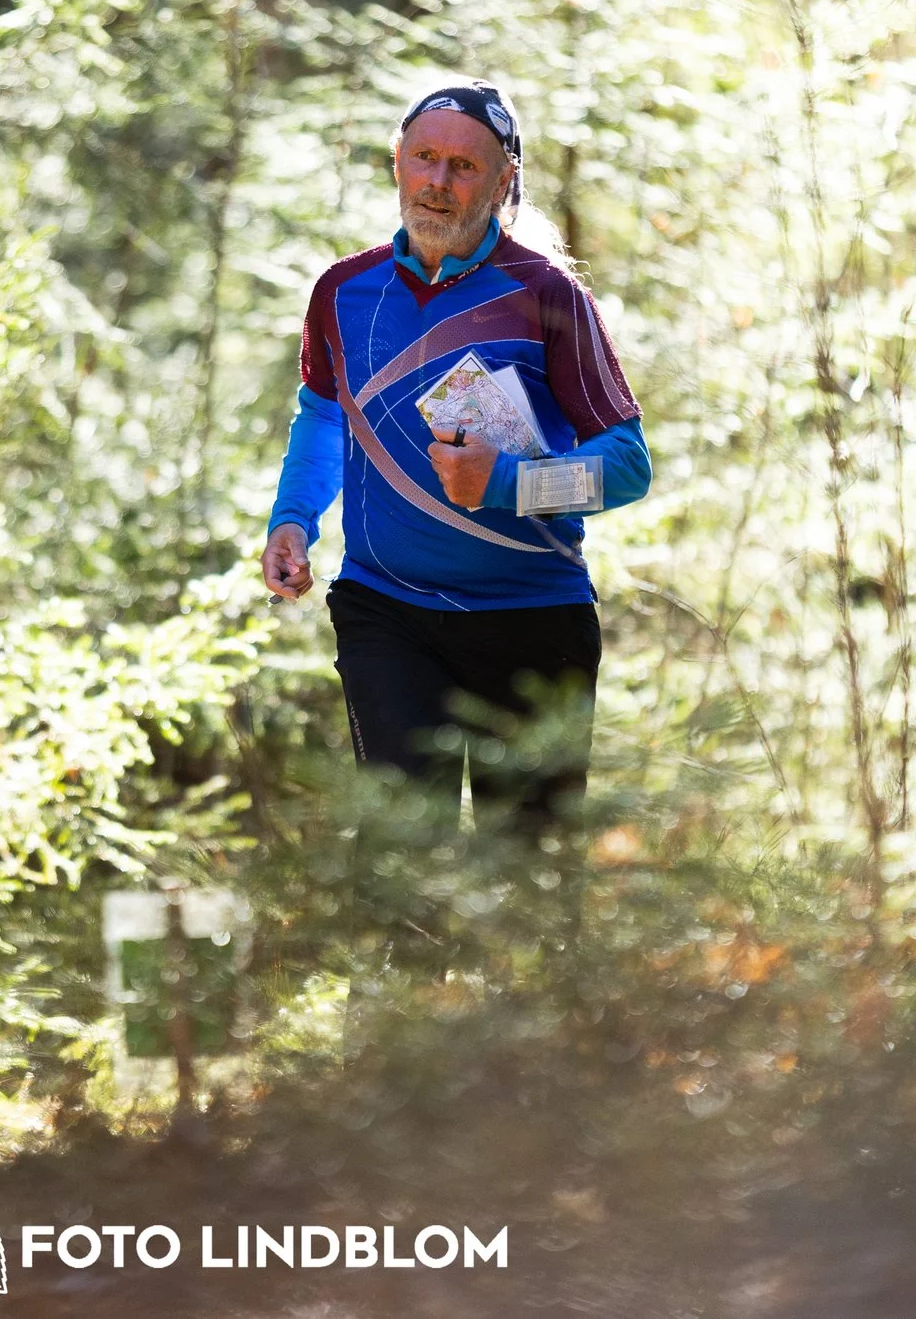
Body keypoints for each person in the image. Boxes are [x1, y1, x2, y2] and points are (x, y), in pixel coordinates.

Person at [259, 80, 651, 828]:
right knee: (402, 850)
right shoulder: (343, 290)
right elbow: (324, 414)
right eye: (423, 158)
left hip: (532, 617)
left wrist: (506, 482)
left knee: (529, 872)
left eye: (464, 166)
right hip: (386, 609)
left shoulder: (547, 295)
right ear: (397, 162)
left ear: (503, 183)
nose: (437, 182)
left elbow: (629, 464)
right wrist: (293, 519)